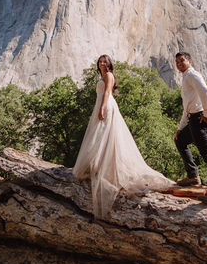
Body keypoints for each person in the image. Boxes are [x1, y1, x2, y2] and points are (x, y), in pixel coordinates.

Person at [73, 54, 174, 218]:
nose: (102, 63)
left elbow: (106, 92)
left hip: (106, 105)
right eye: (100, 61)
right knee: (102, 137)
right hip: (102, 105)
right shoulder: (103, 75)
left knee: (105, 136)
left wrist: (102, 108)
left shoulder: (109, 75)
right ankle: (99, 167)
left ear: (109, 63)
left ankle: (104, 169)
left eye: (105, 61)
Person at [173, 51, 207, 206]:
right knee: (180, 141)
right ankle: (193, 177)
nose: (179, 64)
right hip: (192, 119)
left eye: (182, 60)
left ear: (189, 61)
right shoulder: (185, 78)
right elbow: (187, 107)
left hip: (199, 119)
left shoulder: (192, 75)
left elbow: (205, 91)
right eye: (177, 62)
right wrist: (180, 128)